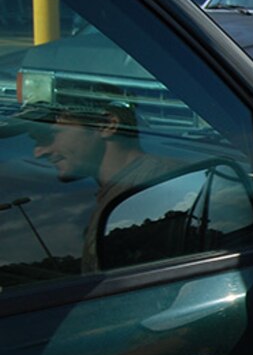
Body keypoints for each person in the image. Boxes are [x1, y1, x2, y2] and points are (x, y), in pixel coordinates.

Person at [17, 96, 178, 270]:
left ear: (106, 125)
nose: (38, 153)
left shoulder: (161, 188)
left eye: (48, 135)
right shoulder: (128, 189)